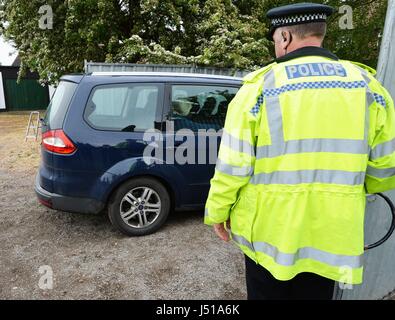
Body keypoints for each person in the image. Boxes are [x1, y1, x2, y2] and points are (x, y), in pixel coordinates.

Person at [204, 2, 395, 300]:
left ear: (285, 38)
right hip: (332, 234)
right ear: (320, 33)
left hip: (269, 237)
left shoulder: (259, 88)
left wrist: (218, 211)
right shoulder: (369, 87)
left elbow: (232, 166)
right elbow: (384, 167)